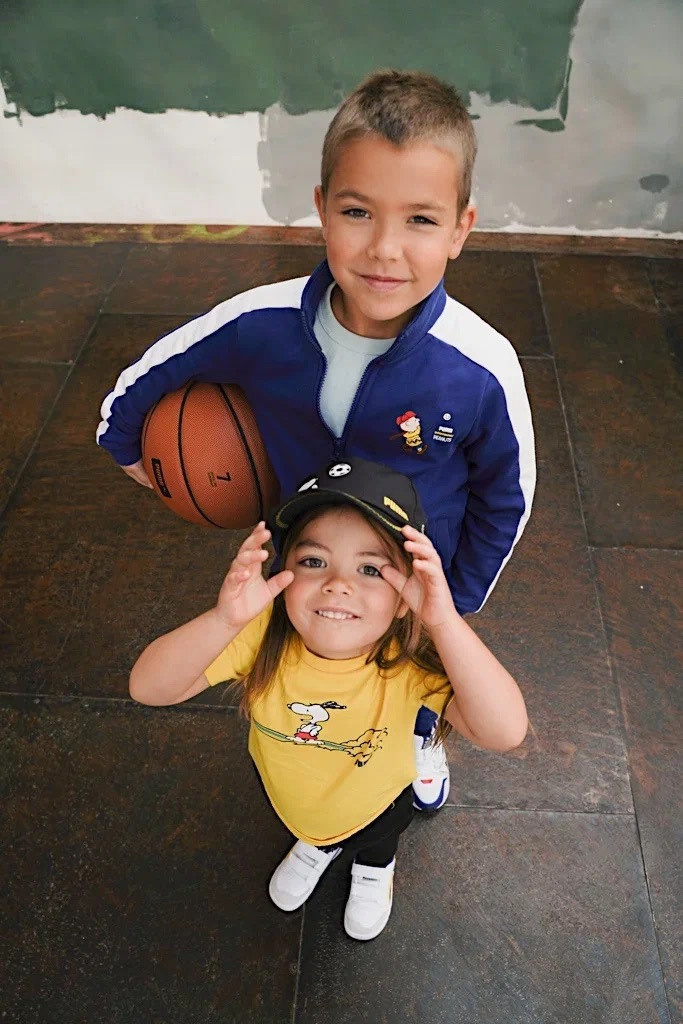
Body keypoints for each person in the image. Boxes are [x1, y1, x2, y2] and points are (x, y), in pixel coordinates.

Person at [97, 69, 536, 811]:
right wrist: (139, 457)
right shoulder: (259, 321)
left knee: (418, 687)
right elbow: (140, 384)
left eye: (421, 221)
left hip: (404, 576)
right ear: (321, 212)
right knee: (297, 664)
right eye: (358, 211)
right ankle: (305, 770)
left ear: (462, 228)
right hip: (304, 553)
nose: (384, 249)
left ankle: (418, 748)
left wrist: (451, 603)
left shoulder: (478, 365)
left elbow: (507, 494)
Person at [129, 459, 528, 941]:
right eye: (314, 561)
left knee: (377, 841)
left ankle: (375, 870)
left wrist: (443, 622)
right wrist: (223, 620)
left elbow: (505, 731)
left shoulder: (410, 665)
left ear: (405, 596)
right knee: (313, 825)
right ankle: (317, 845)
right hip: (289, 790)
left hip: (379, 801)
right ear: (282, 576)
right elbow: (149, 688)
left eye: (370, 569)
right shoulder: (258, 635)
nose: (338, 584)